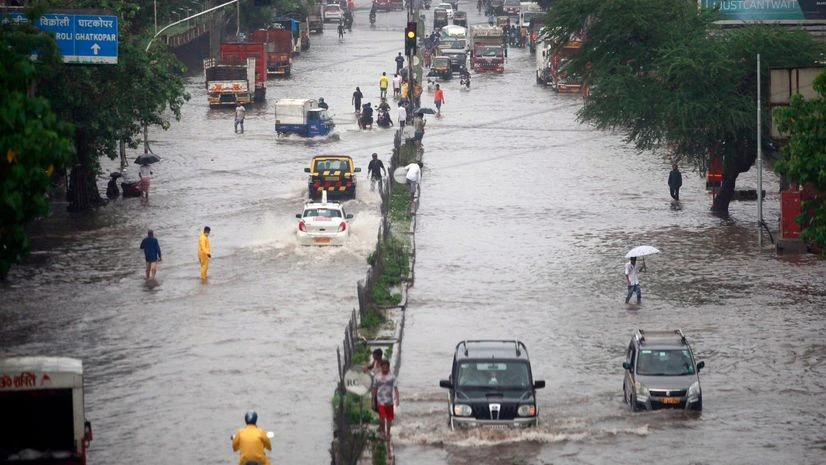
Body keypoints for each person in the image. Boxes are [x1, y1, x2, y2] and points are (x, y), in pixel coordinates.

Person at [371, 360, 399, 441]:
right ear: (381, 367)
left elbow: (396, 389)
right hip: (380, 401)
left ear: (389, 367)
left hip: (389, 401)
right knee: (382, 417)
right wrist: (373, 400)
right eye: (383, 366)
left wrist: (397, 399)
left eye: (387, 367)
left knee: (389, 419)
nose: (385, 368)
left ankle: (388, 433)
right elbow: (374, 389)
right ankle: (383, 432)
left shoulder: (392, 377)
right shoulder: (377, 377)